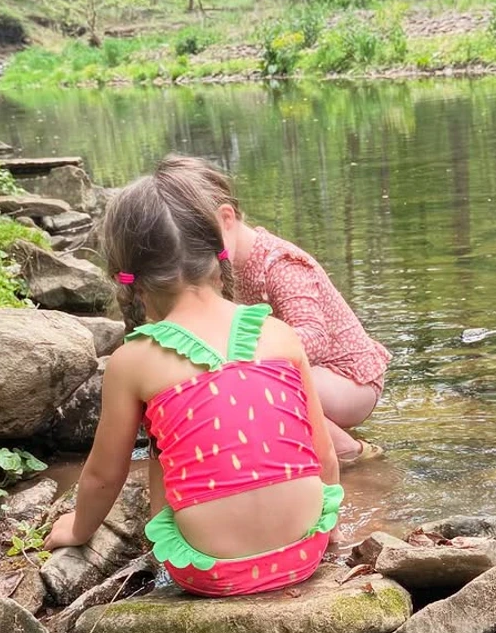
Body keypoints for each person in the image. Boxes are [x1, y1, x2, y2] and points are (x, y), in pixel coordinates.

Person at [44, 170, 343, 598]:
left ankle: (166, 578)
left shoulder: (132, 362)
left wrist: (77, 528)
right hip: (305, 551)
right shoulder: (279, 333)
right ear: (218, 252)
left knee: (163, 448)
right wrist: (328, 532)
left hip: (209, 572)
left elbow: (103, 477)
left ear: (129, 279)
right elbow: (324, 455)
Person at [153, 155, 389, 464]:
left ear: (226, 219)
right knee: (240, 378)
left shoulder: (278, 264)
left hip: (348, 380)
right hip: (303, 375)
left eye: (201, 246)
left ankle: (349, 452)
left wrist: (243, 353)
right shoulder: (215, 272)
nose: (196, 259)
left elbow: (314, 337)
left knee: (252, 378)